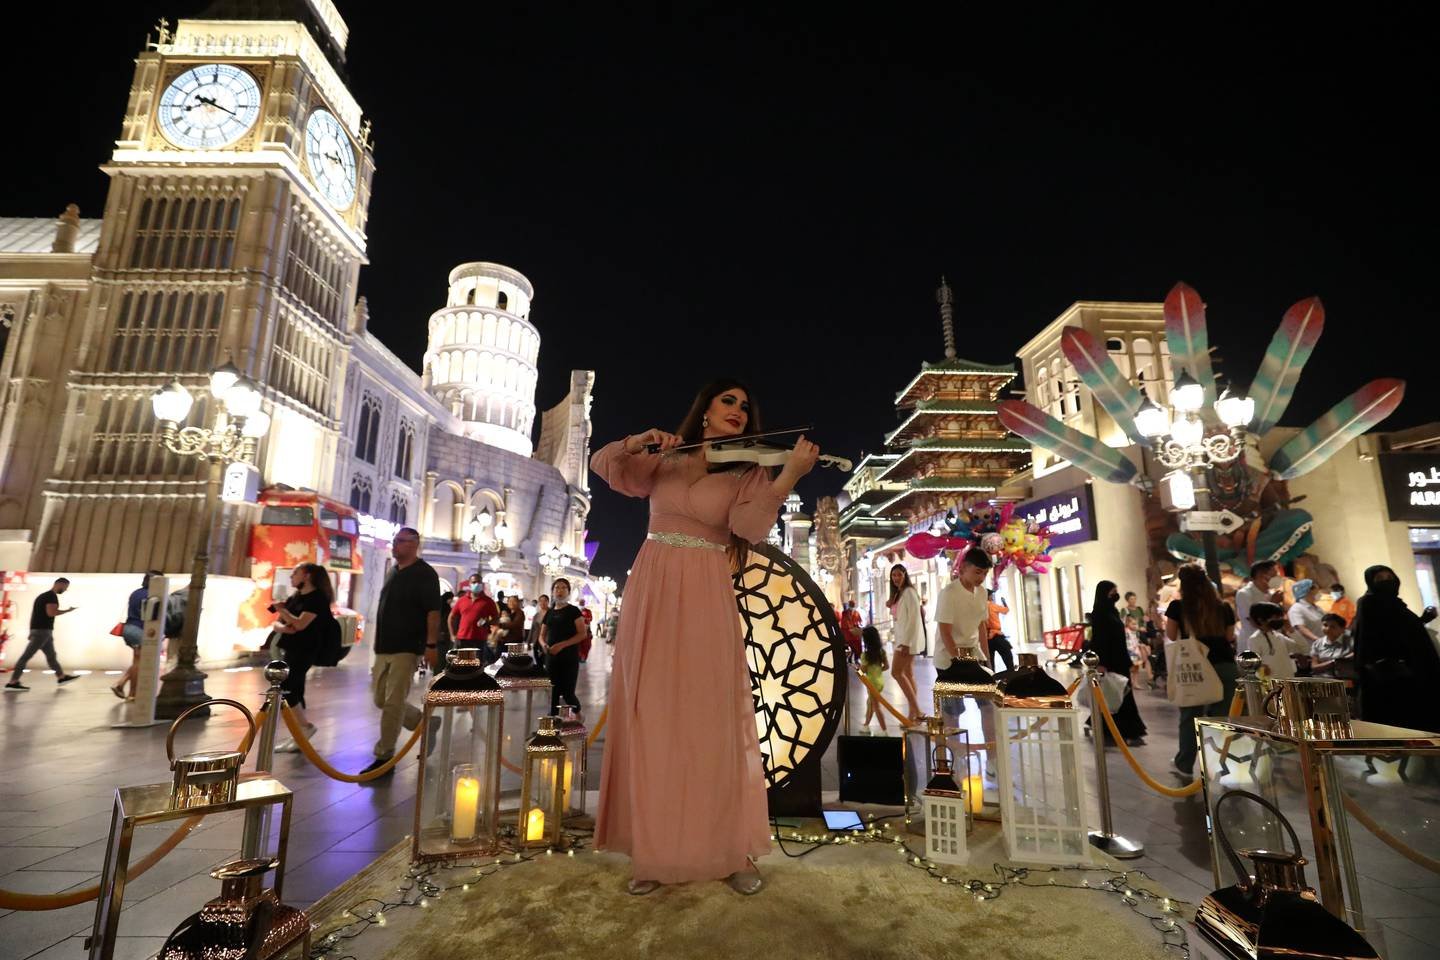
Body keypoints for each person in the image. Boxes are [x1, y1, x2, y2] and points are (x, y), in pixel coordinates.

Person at [591, 377, 818, 897]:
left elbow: (751, 526)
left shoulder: (748, 470)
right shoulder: (667, 459)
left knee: (712, 718)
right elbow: (608, 468)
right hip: (651, 584)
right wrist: (638, 441)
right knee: (651, 718)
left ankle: (728, 850)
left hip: (705, 588)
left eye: (745, 405)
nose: (738, 409)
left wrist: (787, 475)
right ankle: (652, 853)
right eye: (728, 401)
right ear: (706, 412)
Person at [361, 528, 442, 777]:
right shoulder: (393, 571)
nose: (394, 546)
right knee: (380, 699)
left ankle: (384, 757)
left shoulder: (425, 574)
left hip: (407, 647)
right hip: (384, 646)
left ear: (414, 545)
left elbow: (433, 612)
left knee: (393, 702)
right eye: (394, 541)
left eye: (400, 542)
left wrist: (430, 646)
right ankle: (422, 722)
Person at [1165, 563, 1238, 778]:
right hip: (1225, 665)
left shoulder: (1178, 607)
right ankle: (1220, 765)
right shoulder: (1223, 607)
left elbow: (1171, 635)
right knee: (1222, 717)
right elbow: (1229, 637)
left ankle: (1185, 763)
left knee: (1190, 716)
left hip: (1195, 666)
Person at [1351, 564, 1440, 731]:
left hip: (1413, 666)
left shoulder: (1397, 604)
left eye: (1389, 578)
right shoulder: (1368, 602)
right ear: (1371, 582)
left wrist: (1423, 620)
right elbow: (1369, 637)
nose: (1386, 582)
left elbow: (1401, 632)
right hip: (1392, 673)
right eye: (1380, 579)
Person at [935, 548, 995, 771]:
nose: (981, 578)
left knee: (988, 706)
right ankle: (957, 756)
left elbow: (981, 626)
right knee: (952, 711)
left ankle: (992, 759)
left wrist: (986, 660)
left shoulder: (982, 593)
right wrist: (958, 662)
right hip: (949, 660)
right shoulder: (949, 593)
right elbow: (945, 631)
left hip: (974, 655)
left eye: (984, 574)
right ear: (963, 569)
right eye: (977, 572)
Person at [271, 563, 334, 752]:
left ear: (307, 576)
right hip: (290, 648)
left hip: (305, 649)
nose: (291, 577)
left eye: (295, 573)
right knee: (292, 689)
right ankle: (299, 734)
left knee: (288, 688)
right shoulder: (297, 597)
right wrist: (285, 625)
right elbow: (278, 625)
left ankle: (304, 728)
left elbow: (299, 625)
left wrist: (283, 612)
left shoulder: (317, 599)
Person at [1085, 580, 1146, 746]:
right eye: (1113, 592)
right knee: (1116, 694)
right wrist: (1100, 662)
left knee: (1120, 693)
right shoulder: (1099, 613)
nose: (1115, 595)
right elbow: (1098, 640)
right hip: (1109, 661)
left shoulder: (1112, 611)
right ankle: (1120, 730)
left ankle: (1122, 729)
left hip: (1120, 659)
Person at [6, 578, 80, 691]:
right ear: (59, 584)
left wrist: (31, 631)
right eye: (65, 587)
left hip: (42, 631)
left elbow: (34, 614)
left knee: (51, 656)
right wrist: (67, 611)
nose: (65, 590)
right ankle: (13, 682)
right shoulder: (51, 596)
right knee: (25, 657)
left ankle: (61, 677)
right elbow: (51, 613)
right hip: (42, 632)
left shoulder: (42, 596)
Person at [539, 577, 587, 714]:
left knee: (568, 693)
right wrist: (544, 645)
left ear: (568, 592)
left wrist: (562, 645)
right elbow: (541, 635)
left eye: (563, 588)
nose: (560, 591)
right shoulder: (549, 612)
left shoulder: (574, 611)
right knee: (552, 691)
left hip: (569, 658)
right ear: (552, 592)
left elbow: (582, 634)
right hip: (551, 658)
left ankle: (577, 714)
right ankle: (552, 723)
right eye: (557, 588)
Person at [113, 570, 160, 700]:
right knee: (139, 662)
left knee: (137, 661)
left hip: (128, 629)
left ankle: (122, 685)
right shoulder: (152, 595)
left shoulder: (136, 593)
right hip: (139, 629)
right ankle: (131, 693)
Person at [887, 565, 926, 722]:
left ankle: (917, 710)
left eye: (899, 574)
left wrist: (906, 642)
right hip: (902, 638)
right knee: (908, 674)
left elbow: (914, 619)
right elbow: (900, 617)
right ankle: (913, 714)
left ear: (905, 575)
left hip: (906, 640)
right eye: (893, 575)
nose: (896, 578)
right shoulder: (900, 593)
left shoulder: (909, 592)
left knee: (896, 673)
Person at [1246, 601, 1304, 681]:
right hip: (1271, 686)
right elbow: (1255, 665)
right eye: (1276, 617)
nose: (1280, 620)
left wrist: (1291, 630)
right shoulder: (1255, 639)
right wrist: (1261, 668)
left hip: (1288, 682)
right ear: (1261, 620)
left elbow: (1302, 648)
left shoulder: (1278, 636)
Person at [1235, 561, 1283, 656]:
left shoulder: (1270, 593)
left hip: (1271, 643)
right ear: (1262, 576)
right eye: (1274, 575)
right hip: (1251, 645)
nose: (1278, 578)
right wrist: (1272, 603)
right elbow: (1253, 620)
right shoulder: (1245, 594)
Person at [858, 624, 889, 733]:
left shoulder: (865, 655)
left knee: (875, 706)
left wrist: (857, 669)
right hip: (880, 682)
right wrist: (878, 670)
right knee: (870, 703)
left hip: (871, 684)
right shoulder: (882, 652)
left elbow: (862, 671)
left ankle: (884, 730)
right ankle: (866, 725)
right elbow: (886, 666)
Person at [1310, 612, 1355, 679]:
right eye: (1325, 625)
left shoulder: (1351, 641)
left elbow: (1357, 654)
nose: (1328, 629)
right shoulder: (1317, 643)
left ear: (1342, 629)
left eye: (1333, 626)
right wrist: (1334, 662)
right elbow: (1314, 667)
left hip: (1345, 680)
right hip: (1322, 680)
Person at [1287, 579, 1325, 649]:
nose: (1319, 593)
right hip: (1313, 649)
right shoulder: (1296, 609)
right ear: (1308, 591)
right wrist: (1318, 640)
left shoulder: (1316, 608)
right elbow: (1301, 628)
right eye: (1317, 590)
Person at [985, 590, 1014, 672]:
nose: (992, 596)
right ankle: (1011, 674)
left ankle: (992, 677)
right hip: (996, 635)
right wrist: (1004, 602)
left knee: (989, 661)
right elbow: (1006, 610)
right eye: (991, 595)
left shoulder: (980, 606)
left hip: (986, 637)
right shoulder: (992, 605)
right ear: (988, 596)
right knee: (1007, 654)